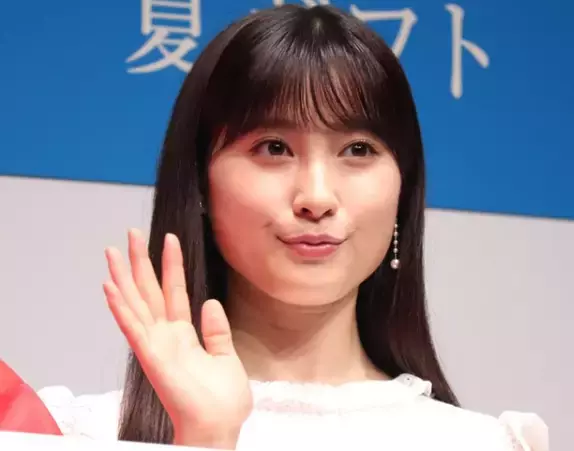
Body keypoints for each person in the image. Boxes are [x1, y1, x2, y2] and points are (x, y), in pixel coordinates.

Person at [38, 4, 548, 450]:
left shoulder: (483, 443)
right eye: (274, 148)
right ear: (199, 183)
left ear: (403, 189)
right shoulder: (80, 434)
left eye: (358, 150)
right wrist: (204, 439)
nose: (317, 198)